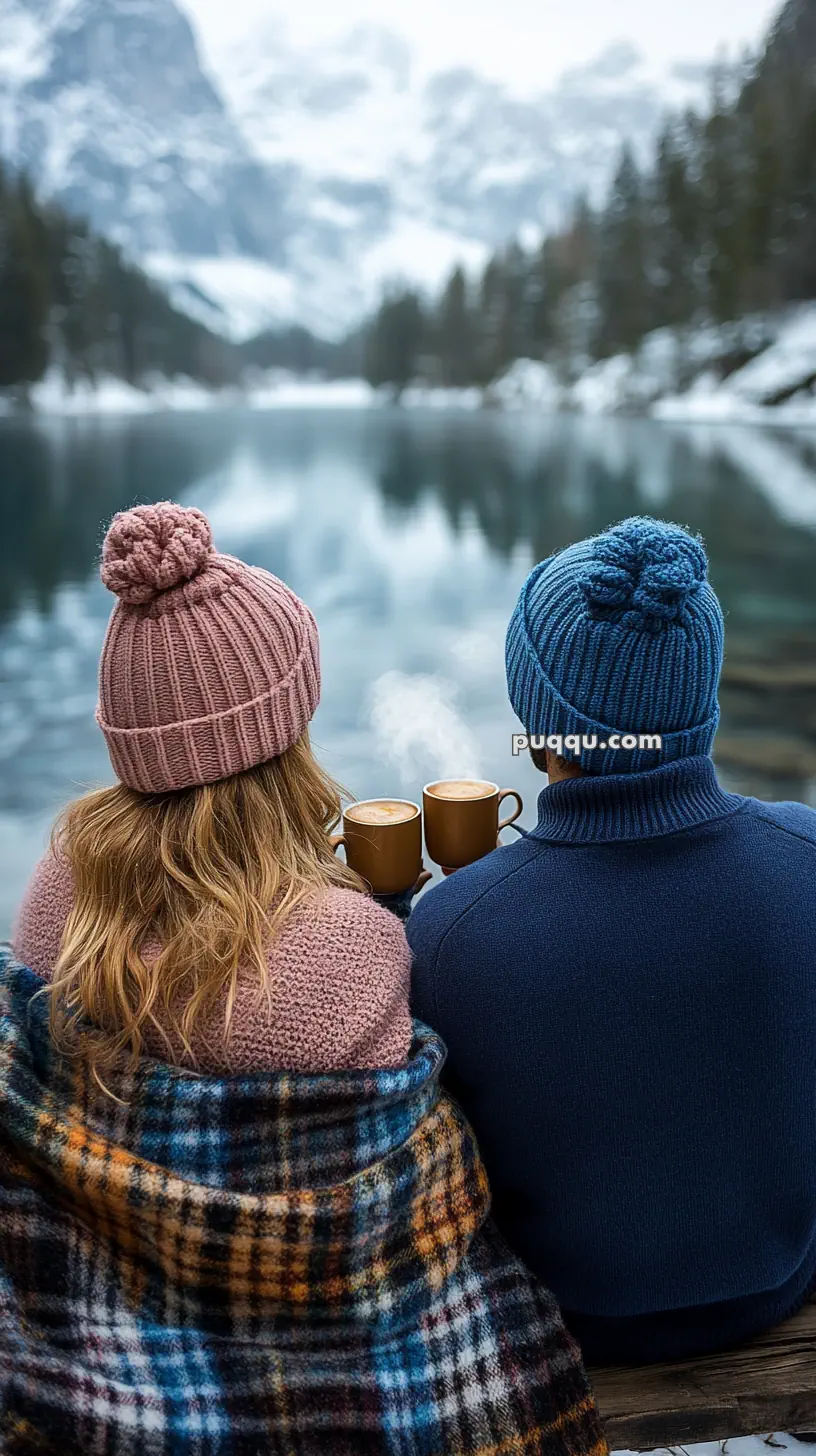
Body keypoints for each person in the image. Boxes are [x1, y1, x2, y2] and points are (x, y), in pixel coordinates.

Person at [0, 501, 606, 1456]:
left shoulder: (51, 893)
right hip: (293, 1358)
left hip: (90, 1320)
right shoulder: (349, 948)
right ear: (281, 731)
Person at [407, 515, 816, 1365]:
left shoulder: (453, 932)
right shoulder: (806, 858)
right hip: (776, 1287)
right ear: (701, 694)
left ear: (537, 712)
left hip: (569, 1315)